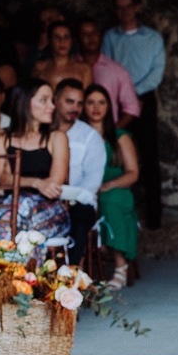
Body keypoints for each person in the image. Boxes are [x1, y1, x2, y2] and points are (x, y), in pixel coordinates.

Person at [0, 79, 71, 248]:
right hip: (12, 210)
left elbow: (54, 185)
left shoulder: (57, 137)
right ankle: (5, 268)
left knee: (19, 208)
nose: (52, 106)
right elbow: (4, 179)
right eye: (44, 100)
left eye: (52, 101)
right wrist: (36, 182)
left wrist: (28, 186)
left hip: (49, 212)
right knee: (17, 220)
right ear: (25, 103)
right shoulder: (0, 138)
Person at [102, 0, 166, 229]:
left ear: (136, 7)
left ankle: (154, 218)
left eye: (128, 6)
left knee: (149, 157)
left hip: (144, 99)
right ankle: (122, 213)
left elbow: (157, 72)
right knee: (118, 155)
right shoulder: (110, 37)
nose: (124, 11)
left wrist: (134, 93)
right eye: (119, 7)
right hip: (117, 101)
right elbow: (107, 67)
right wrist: (125, 95)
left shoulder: (153, 38)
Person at [82, 84, 139, 290]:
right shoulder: (78, 135)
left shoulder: (119, 135)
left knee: (110, 201)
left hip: (115, 188)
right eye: (90, 102)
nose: (96, 107)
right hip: (85, 189)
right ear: (83, 106)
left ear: (109, 106)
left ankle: (120, 267)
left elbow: (133, 173)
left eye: (101, 102)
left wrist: (108, 185)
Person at [52, 79, 106, 266]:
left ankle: (71, 274)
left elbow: (93, 180)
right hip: (47, 198)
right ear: (56, 99)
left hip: (78, 200)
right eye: (69, 101)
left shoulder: (90, 137)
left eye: (79, 103)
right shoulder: (43, 131)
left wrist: (67, 198)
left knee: (79, 218)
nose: (75, 107)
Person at [77, 18, 140, 128]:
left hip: (106, 135)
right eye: (84, 34)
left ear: (100, 36)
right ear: (77, 38)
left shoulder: (117, 71)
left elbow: (132, 108)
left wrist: (113, 133)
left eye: (94, 33)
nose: (90, 37)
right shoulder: (69, 67)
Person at [33, 21, 94, 90]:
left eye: (66, 37)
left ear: (72, 41)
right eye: (57, 37)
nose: (62, 42)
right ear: (50, 40)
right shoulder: (40, 67)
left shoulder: (84, 69)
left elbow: (87, 97)